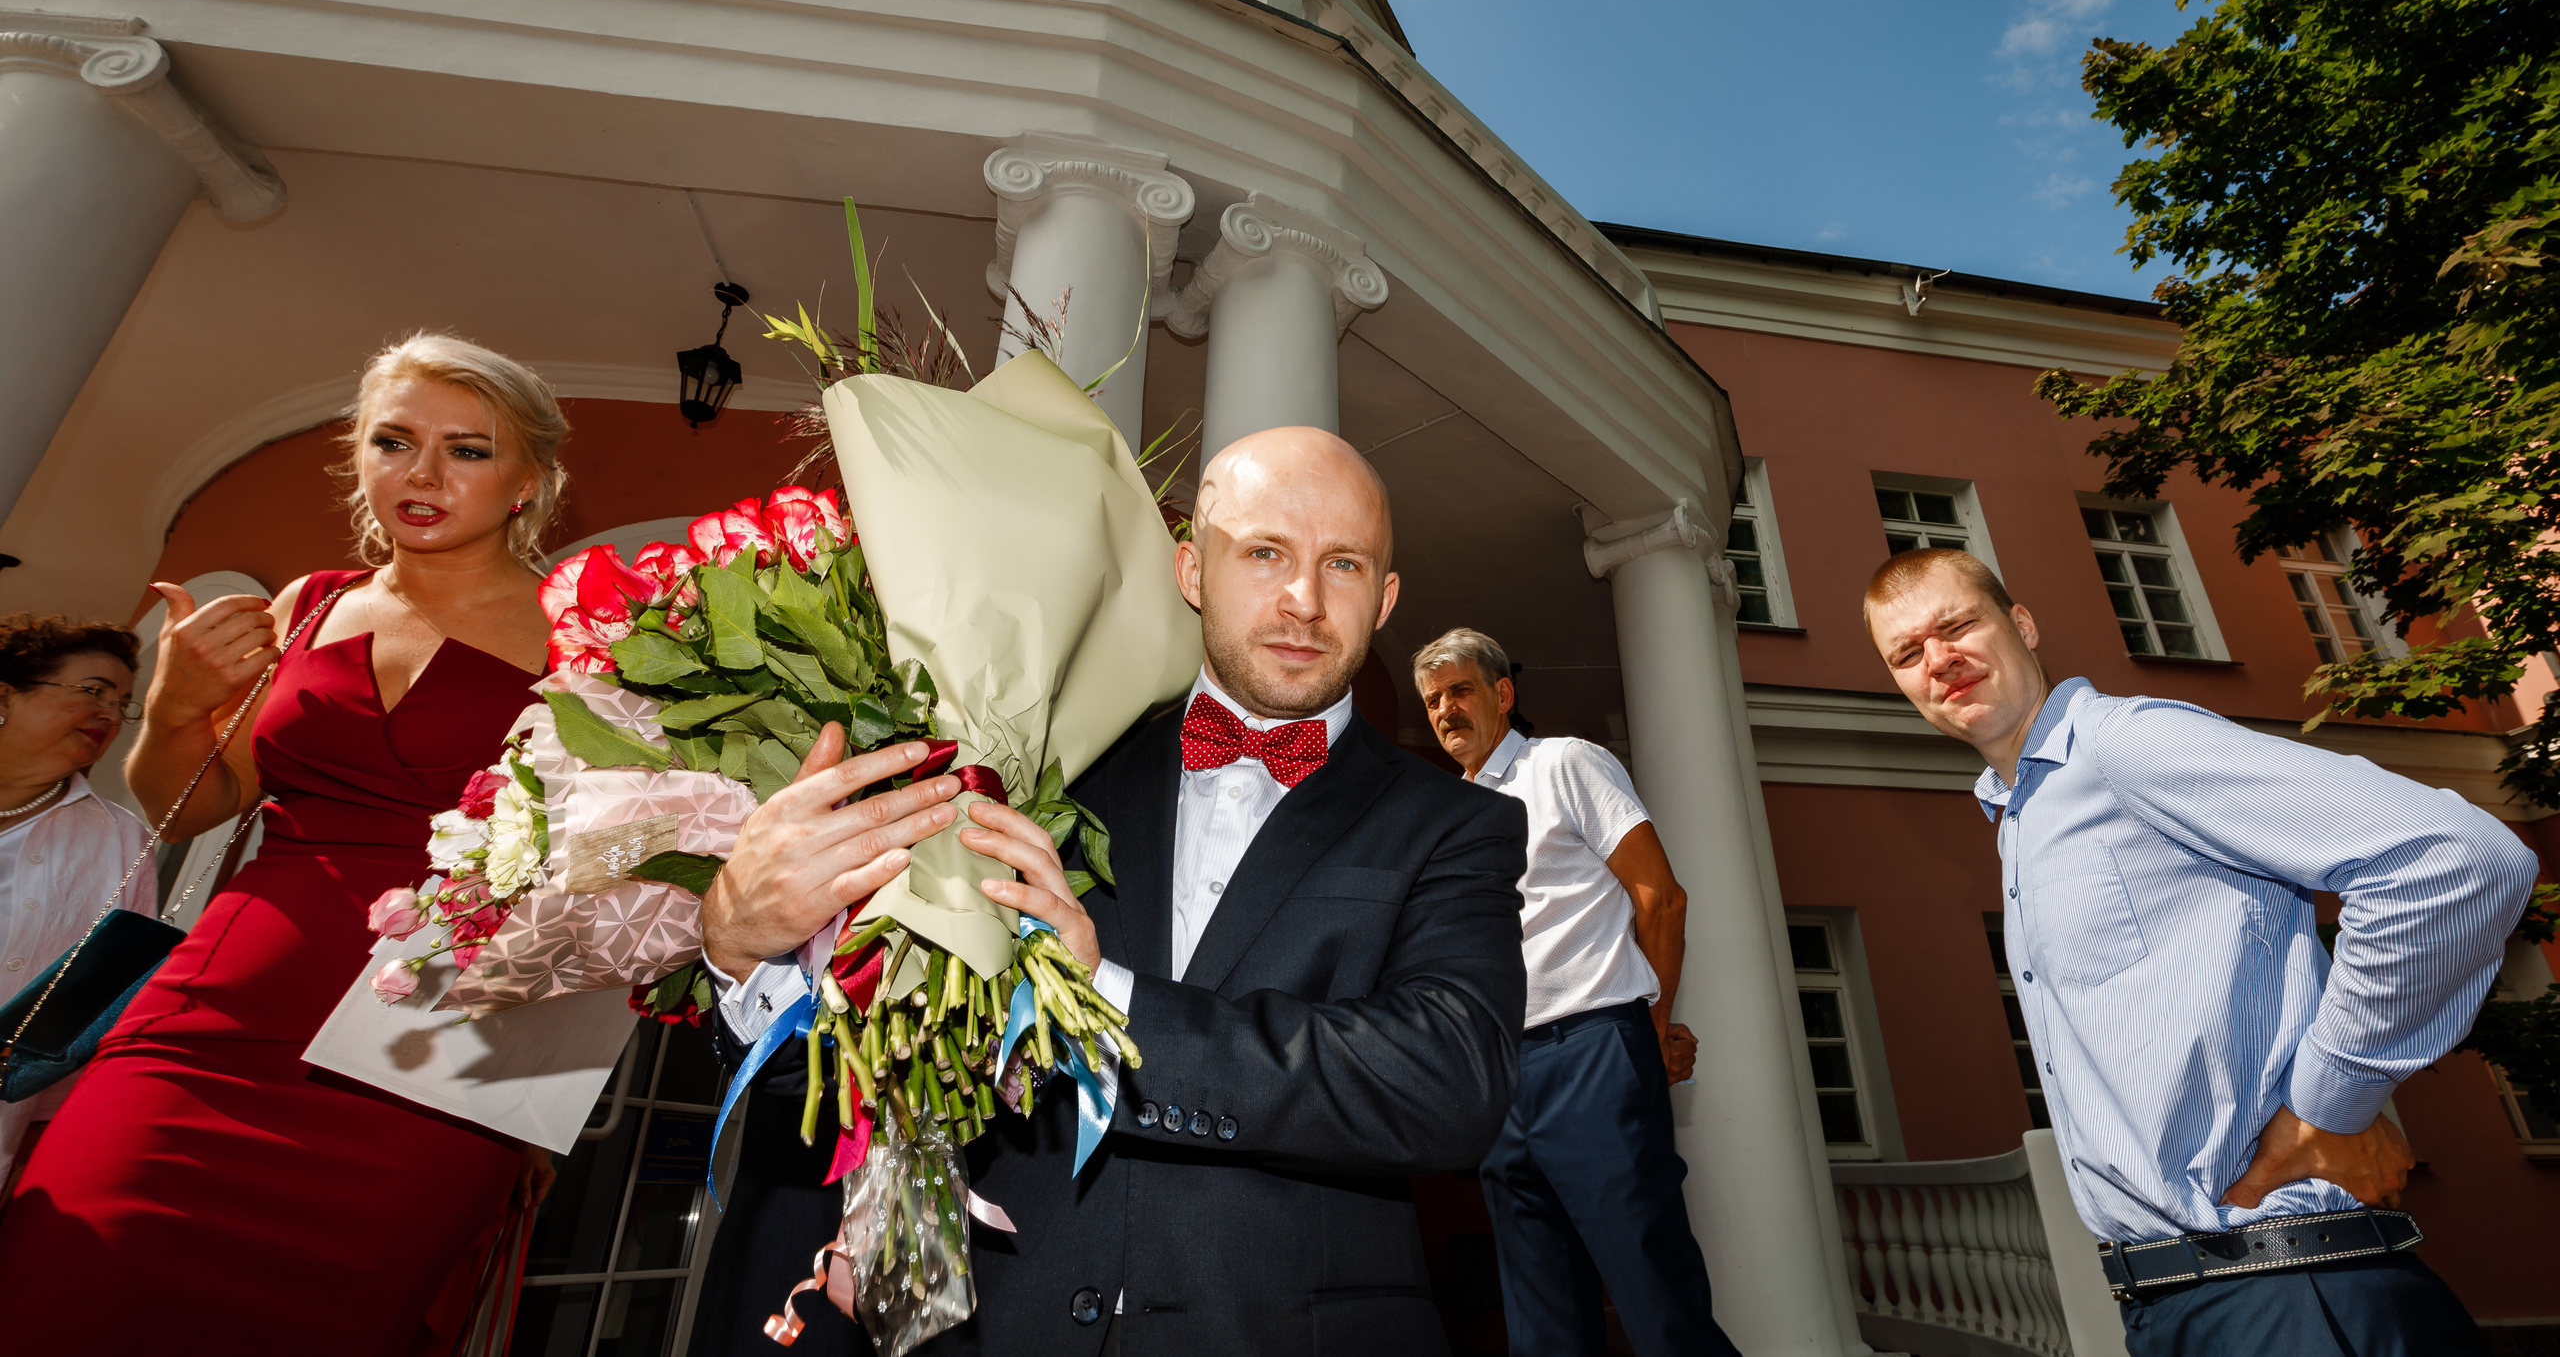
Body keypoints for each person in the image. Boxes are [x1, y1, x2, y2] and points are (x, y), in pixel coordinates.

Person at [691, 425, 1529, 1356]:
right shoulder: (1034, 767)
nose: (1304, 598)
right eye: (1263, 552)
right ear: (1191, 569)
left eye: (1344, 563)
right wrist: (741, 955)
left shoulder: (1456, 822)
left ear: (1386, 599)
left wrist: (1107, 1000)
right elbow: (870, 1064)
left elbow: (1454, 1083)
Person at [0, 333, 569, 1352]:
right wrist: (176, 710)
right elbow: (198, 803)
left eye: (468, 450)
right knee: (59, 1286)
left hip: (434, 1063)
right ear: (358, 456)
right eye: (394, 441)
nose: (423, 474)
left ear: (528, 478)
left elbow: (621, 867)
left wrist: (541, 1084)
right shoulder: (305, 606)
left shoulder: (591, 634)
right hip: (213, 1023)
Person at [1863, 544, 2538, 1356]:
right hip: (2180, 1304)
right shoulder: (2023, 818)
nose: (1939, 659)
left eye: (1957, 623)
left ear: (2024, 623)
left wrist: (2332, 1102)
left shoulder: (2123, 747)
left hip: (2287, 1296)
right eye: (1907, 652)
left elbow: (2455, 857)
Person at [1411, 627, 1736, 1357]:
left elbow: (1661, 897)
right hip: (1500, 1078)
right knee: (1543, 1330)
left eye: (1460, 690)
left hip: (1592, 1053)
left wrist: (1651, 1025)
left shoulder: (1563, 762)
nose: (1445, 710)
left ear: (1502, 693)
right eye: (1432, 700)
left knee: (1658, 1305)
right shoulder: (1447, 817)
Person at [0, 615, 155, 1195]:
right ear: (6, 696)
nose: (111, 715)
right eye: (92, 691)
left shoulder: (121, 842)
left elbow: (96, 1003)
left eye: (122, 704)